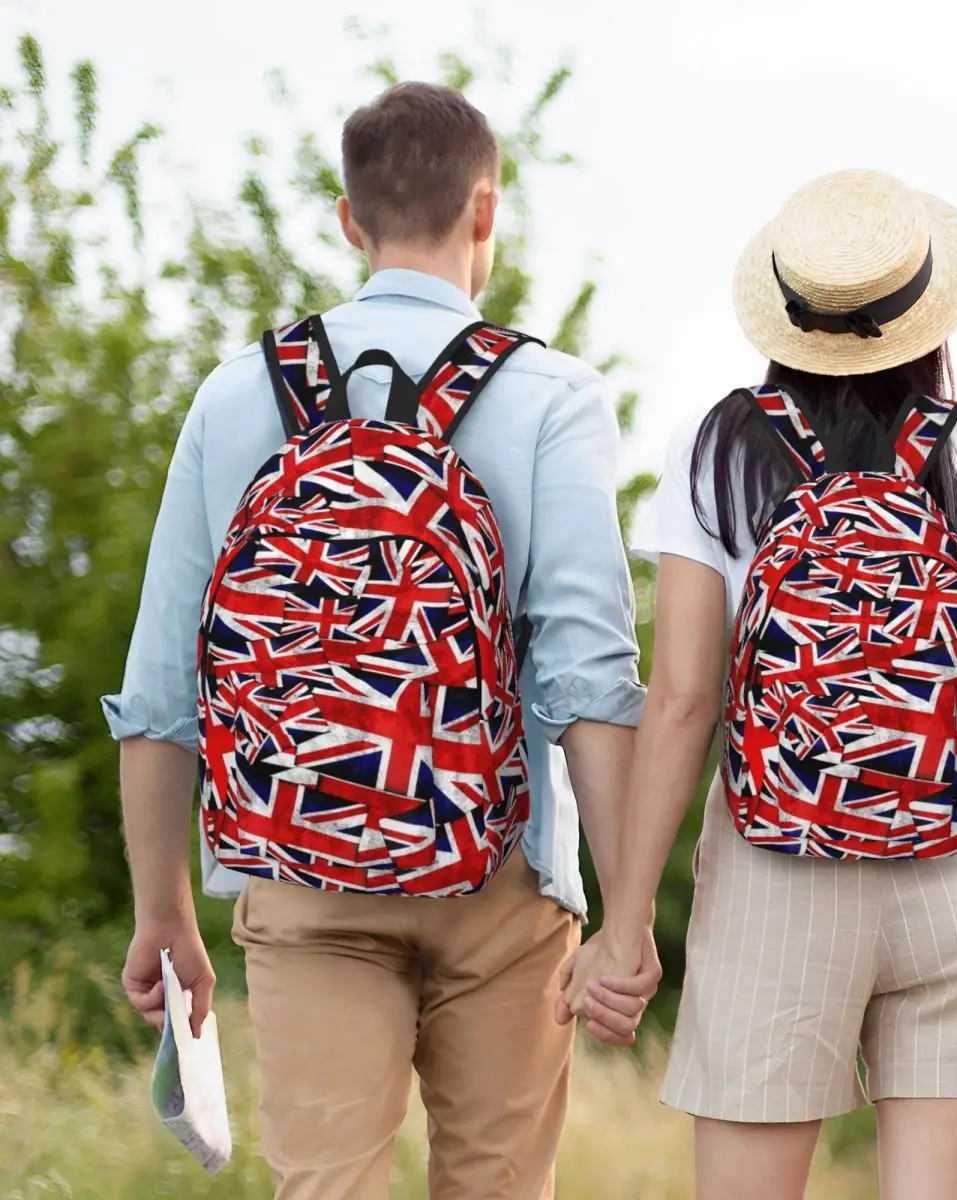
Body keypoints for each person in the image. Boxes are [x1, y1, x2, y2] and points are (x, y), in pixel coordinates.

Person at [104, 81, 660, 1200]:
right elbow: (590, 679)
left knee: (326, 1187)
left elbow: (163, 684)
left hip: (300, 868)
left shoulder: (235, 397)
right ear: (486, 212)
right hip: (501, 871)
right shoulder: (551, 395)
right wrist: (627, 915)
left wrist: (162, 911)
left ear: (349, 220)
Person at [560, 169, 957, 1200]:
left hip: (774, 879)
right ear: (925, 315)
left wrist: (624, 927)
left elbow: (681, 705)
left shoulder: (717, 451)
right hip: (953, 884)